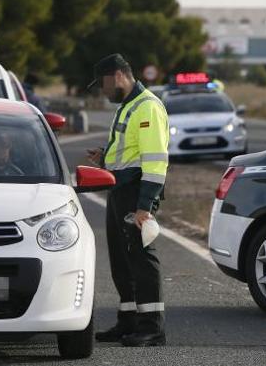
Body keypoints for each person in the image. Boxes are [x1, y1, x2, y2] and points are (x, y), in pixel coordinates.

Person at [86, 54, 169, 347]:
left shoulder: (147, 108)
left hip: (136, 194)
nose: (103, 90)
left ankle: (151, 327)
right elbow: (128, 149)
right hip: (120, 191)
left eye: (104, 84)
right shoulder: (128, 107)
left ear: (119, 75)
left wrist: (144, 207)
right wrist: (104, 155)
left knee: (142, 258)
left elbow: (155, 162)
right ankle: (129, 320)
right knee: (123, 260)